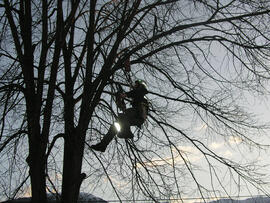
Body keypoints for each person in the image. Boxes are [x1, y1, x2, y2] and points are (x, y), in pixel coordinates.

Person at [91, 80, 149, 152]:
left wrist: (123, 94)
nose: (134, 86)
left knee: (123, 115)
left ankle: (127, 132)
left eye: (136, 85)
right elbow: (124, 106)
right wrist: (120, 99)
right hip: (134, 117)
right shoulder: (137, 96)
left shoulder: (141, 92)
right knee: (115, 125)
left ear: (140, 86)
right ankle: (103, 145)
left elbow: (134, 93)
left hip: (138, 114)